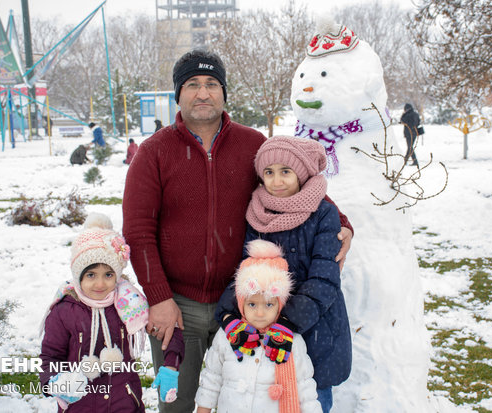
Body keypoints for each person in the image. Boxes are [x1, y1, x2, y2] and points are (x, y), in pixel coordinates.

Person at [122, 49, 354, 413]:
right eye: (193, 84)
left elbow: (295, 185)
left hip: (248, 304)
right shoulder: (154, 152)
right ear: (178, 95)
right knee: (180, 403)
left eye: (212, 84)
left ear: (224, 92)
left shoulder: (252, 144)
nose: (203, 93)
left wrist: (340, 221)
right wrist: (158, 298)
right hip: (178, 306)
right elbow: (137, 230)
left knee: (246, 401)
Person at [216, 136, 352, 413]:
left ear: (301, 173)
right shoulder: (258, 213)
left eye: (285, 172)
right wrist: (228, 314)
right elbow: (248, 270)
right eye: (269, 172)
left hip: (316, 327)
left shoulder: (324, 213)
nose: (276, 181)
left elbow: (324, 277)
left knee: (311, 395)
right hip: (264, 323)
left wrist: (288, 322)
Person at [39, 213, 184, 412]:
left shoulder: (129, 304)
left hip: (124, 404)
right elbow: (50, 358)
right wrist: (55, 383)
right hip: (80, 406)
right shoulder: (64, 311)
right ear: (77, 275)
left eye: (108, 275)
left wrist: (171, 366)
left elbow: (170, 328)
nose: (100, 284)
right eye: (91, 275)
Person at [195, 239, 322, 413]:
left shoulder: (291, 341)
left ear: (280, 305)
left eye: (268, 305)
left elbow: (305, 386)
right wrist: (203, 408)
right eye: (252, 305)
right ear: (241, 304)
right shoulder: (227, 336)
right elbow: (212, 377)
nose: (260, 313)